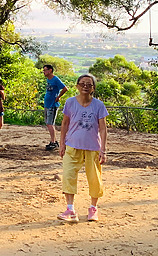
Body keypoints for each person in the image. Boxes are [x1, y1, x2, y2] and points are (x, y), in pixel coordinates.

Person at [57, 74, 108, 223]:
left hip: (93, 148)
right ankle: (70, 209)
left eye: (89, 84)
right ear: (77, 86)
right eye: (82, 83)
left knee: (95, 179)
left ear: (93, 88)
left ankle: (93, 208)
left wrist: (103, 150)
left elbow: (103, 129)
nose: (85, 86)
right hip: (72, 145)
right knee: (68, 175)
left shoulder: (99, 105)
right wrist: (62, 143)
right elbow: (65, 124)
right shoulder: (70, 102)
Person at [42, 64, 68, 151]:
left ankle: (53, 142)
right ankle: (54, 141)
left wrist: (58, 96)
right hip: (47, 104)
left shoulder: (56, 79)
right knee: (48, 123)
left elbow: (65, 88)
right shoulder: (48, 80)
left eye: (45, 70)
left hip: (52, 104)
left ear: (50, 70)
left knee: (50, 123)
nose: (44, 72)